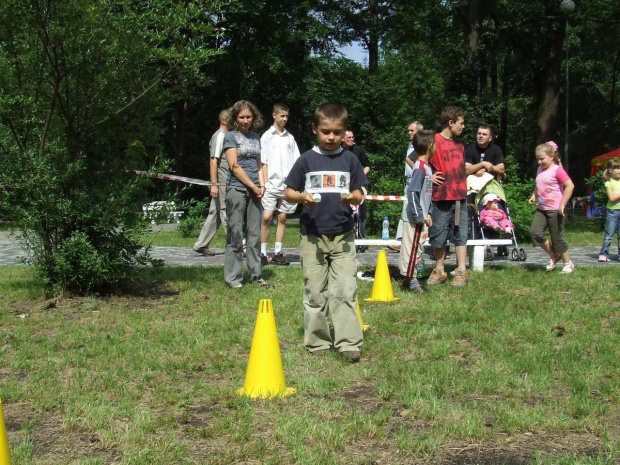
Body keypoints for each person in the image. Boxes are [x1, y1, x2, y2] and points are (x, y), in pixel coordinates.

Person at [284, 102, 368, 363]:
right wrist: (302, 197)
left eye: (337, 132)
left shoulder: (350, 159)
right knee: (315, 292)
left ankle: (349, 343)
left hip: (343, 236)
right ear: (314, 129)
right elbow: (288, 192)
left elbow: (360, 193)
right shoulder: (306, 159)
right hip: (313, 237)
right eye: (325, 131)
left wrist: (352, 198)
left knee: (344, 288)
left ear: (344, 132)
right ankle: (317, 342)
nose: (331, 137)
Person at [223, 100, 269, 288]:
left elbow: (259, 165)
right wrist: (253, 186)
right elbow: (234, 166)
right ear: (235, 118)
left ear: (254, 117)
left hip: (256, 191)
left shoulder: (256, 137)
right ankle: (233, 278)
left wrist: (262, 185)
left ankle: (255, 275)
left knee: (254, 234)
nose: (245, 120)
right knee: (235, 232)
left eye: (248, 117)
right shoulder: (230, 137)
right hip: (237, 188)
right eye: (241, 117)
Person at [427, 106, 469, 286]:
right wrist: (430, 175)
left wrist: (483, 166)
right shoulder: (432, 140)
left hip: (459, 197)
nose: (463, 127)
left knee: (460, 233)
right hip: (441, 197)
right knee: (438, 234)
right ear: (450, 123)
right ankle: (439, 270)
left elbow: (463, 168)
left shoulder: (460, 144)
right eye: (461, 123)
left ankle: (461, 271)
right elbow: (414, 159)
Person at [259, 103, 301, 265]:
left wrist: (296, 183)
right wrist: (263, 184)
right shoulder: (266, 136)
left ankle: (278, 252)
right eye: (282, 116)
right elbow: (263, 162)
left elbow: (297, 161)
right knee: (267, 216)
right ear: (274, 115)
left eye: (287, 116)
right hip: (271, 184)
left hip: (286, 185)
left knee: (282, 217)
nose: (285, 119)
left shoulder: (290, 138)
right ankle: (262, 252)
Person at [528, 141, 575, 274]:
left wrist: (562, 205)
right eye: (537, 159)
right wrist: (534, 195)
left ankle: (568, 263)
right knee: (535, 233)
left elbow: (570, 186)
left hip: (555, 209)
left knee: (556, 237)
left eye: (542, 159)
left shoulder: (557, 170)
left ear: (552, 156)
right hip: (542, 208)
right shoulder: (539, 169)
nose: (539, 162)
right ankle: (553, 254)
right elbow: (539, 184)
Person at [399, 130, 435, 294]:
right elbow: (413, 192)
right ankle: (411, 281)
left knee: (417, 248)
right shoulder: (420, 168)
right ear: (430, 146)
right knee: (412, 249)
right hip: (414, 218)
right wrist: (419, 214)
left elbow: (426, 194)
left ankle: (410, 279)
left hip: (421, 216)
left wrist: (428, 213)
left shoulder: (427, 168)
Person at [193, 109, 230, 256]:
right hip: (221, 181)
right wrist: (214, 184)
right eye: (232, 119)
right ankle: (237, 244)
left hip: (223, 181)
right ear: (224, 120)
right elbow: (213, 161)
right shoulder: (220, 136)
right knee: (225, 211)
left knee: (215, 213)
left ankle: (201, 245)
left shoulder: (225, 136)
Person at [394, 121, 424, 251]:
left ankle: (408, 240)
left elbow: (411, 160)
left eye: (412, 130)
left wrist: (418, 170)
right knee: (406, 209)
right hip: (409, 180)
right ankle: (401, 239)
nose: (409, 133)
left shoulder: (421, 144)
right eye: (408, 131)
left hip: (418, 180)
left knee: (415, 209)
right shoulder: (410, 144)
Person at [342, 130, 370, 240]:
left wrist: (361, 175)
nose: (351, 139)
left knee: (361, 214)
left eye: (352, 137)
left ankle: (362, 238)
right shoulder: (339, 150)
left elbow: (367, 165)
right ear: (343, 138)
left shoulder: (359, 149)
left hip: (359, 185)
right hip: (344, 185)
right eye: (348, 137)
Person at [597, 158, 620, 262]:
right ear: (610, 170)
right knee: (609, 235)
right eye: (617, 168)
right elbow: (611, 198)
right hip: (613, 211)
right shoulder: (609, 183)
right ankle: (603, 254)